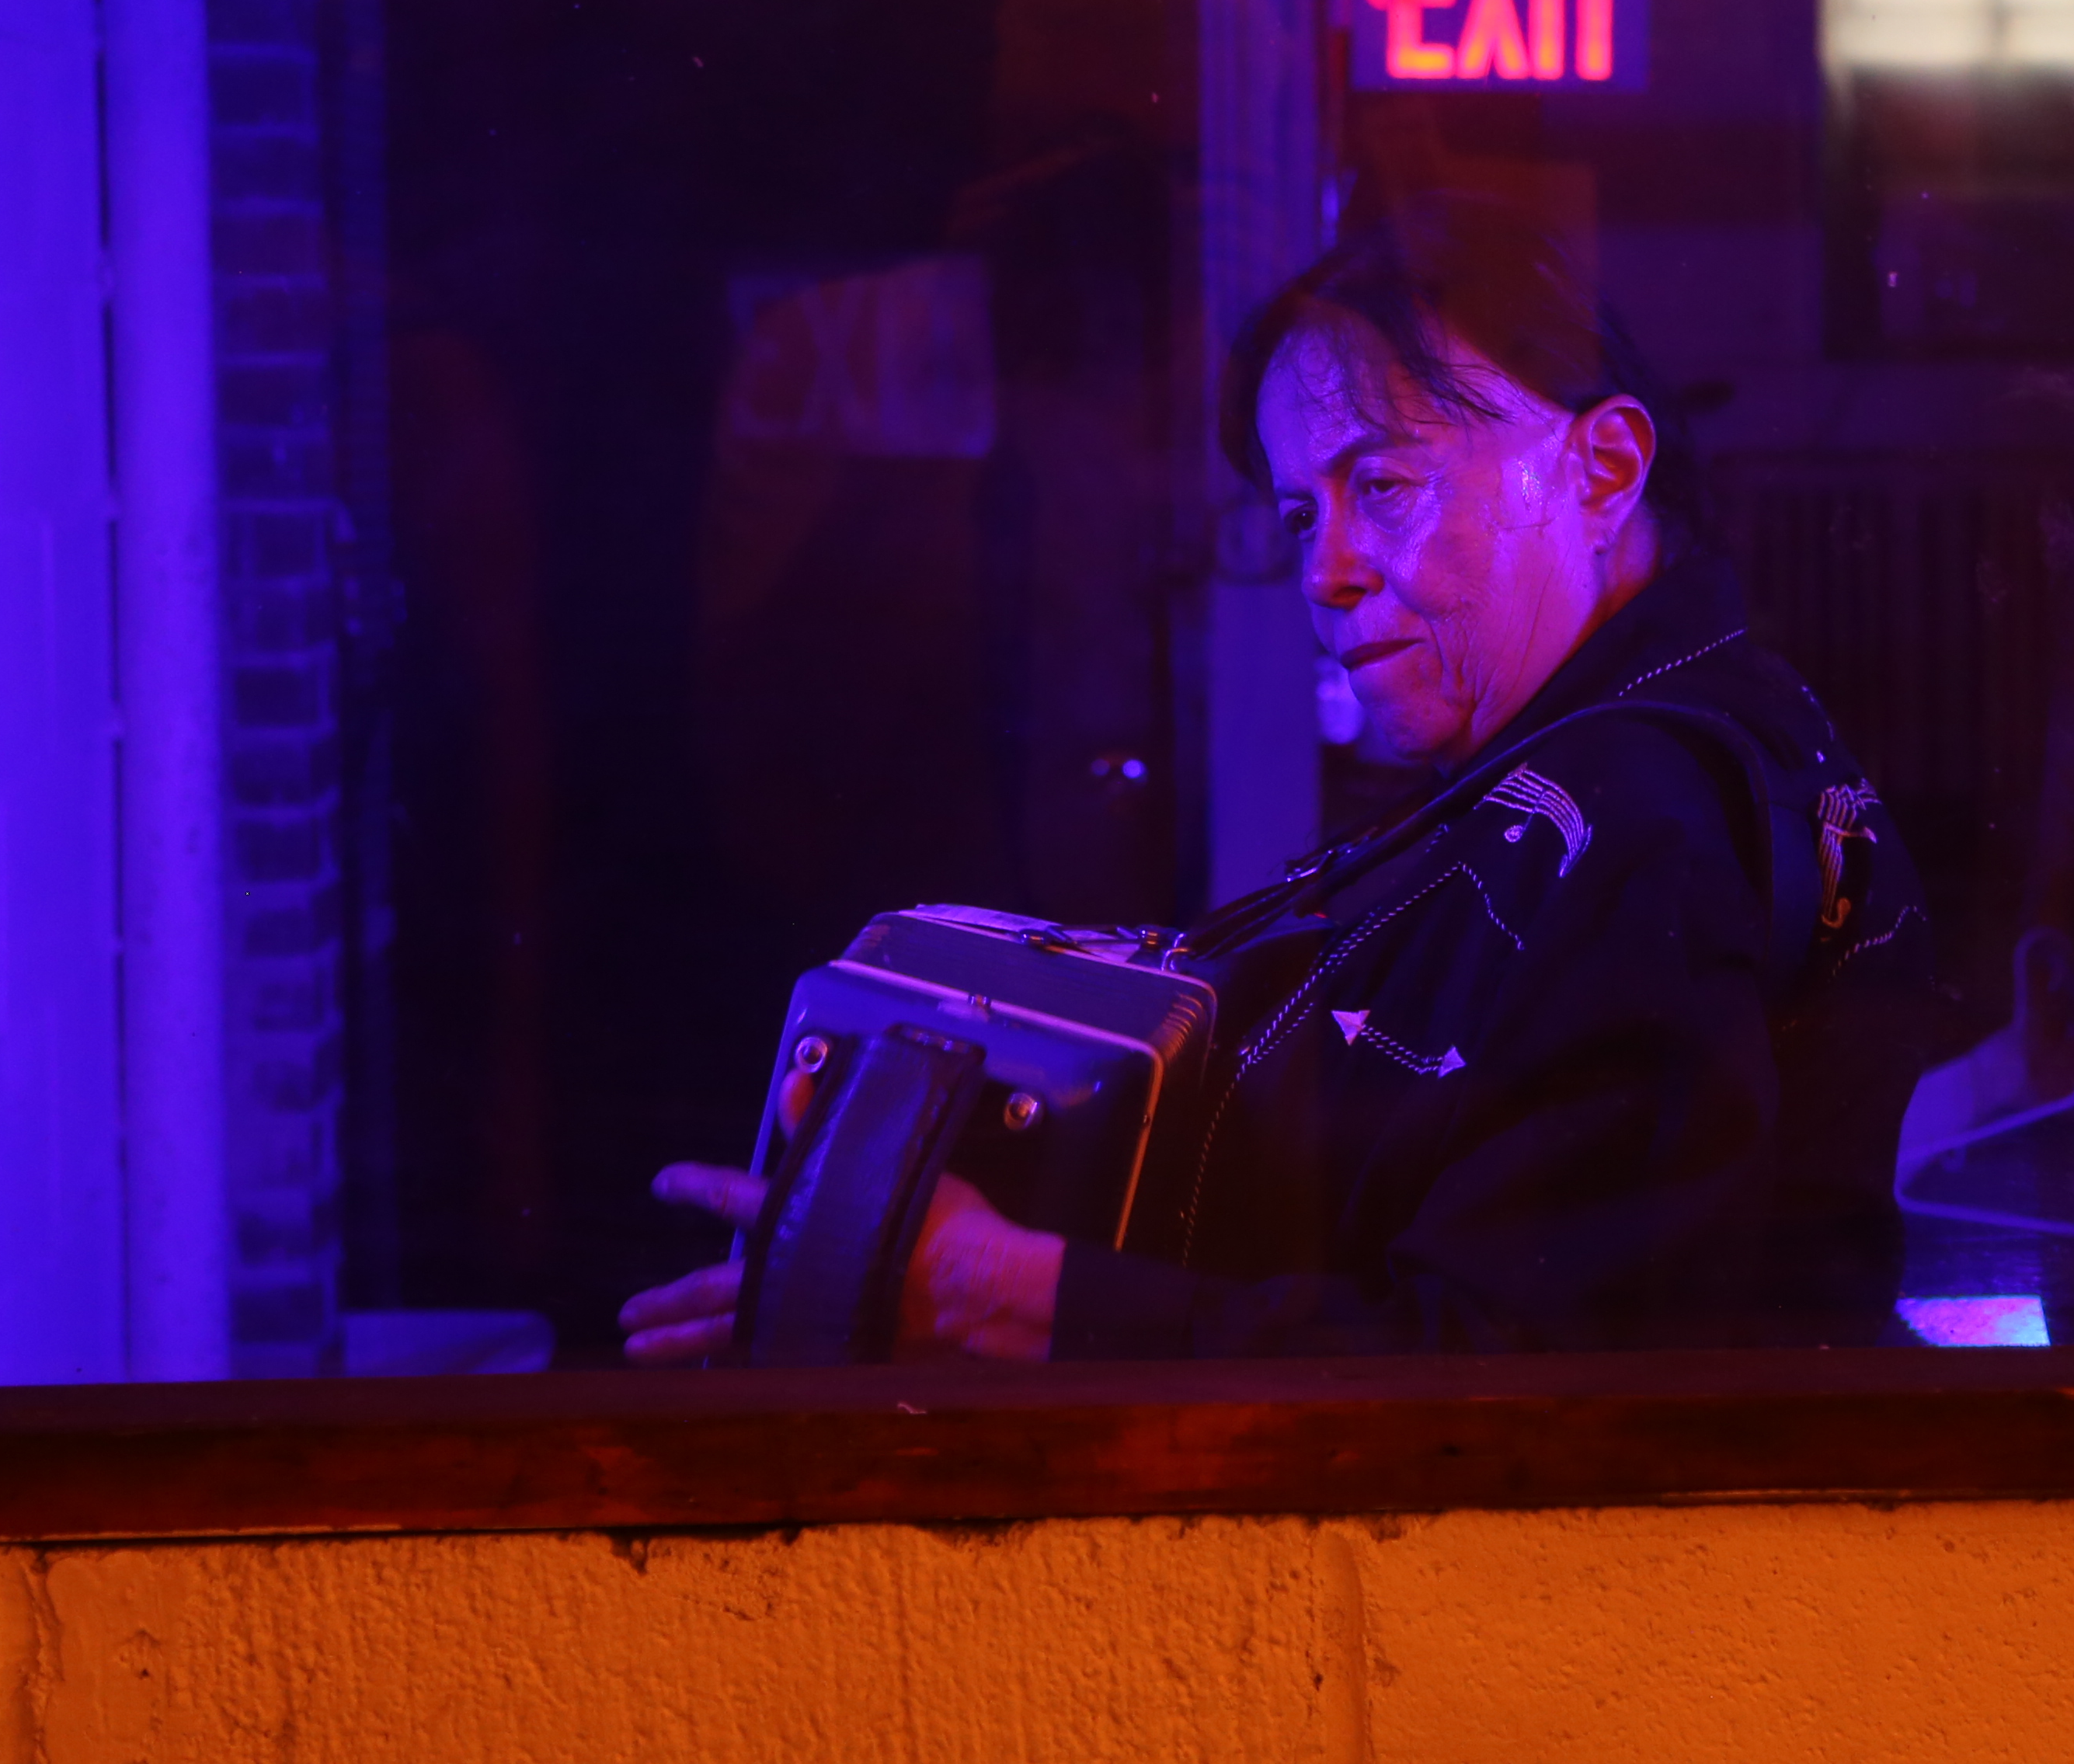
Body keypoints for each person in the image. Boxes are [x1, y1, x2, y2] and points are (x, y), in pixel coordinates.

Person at [624, 194, 1943, 1362]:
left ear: (1601, 470)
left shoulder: (1644, 822)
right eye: (1304, 511)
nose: (1328, 572)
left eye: (1387, 484)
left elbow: (1516, 1389)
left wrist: (997, 1296)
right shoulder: (1623, 754)